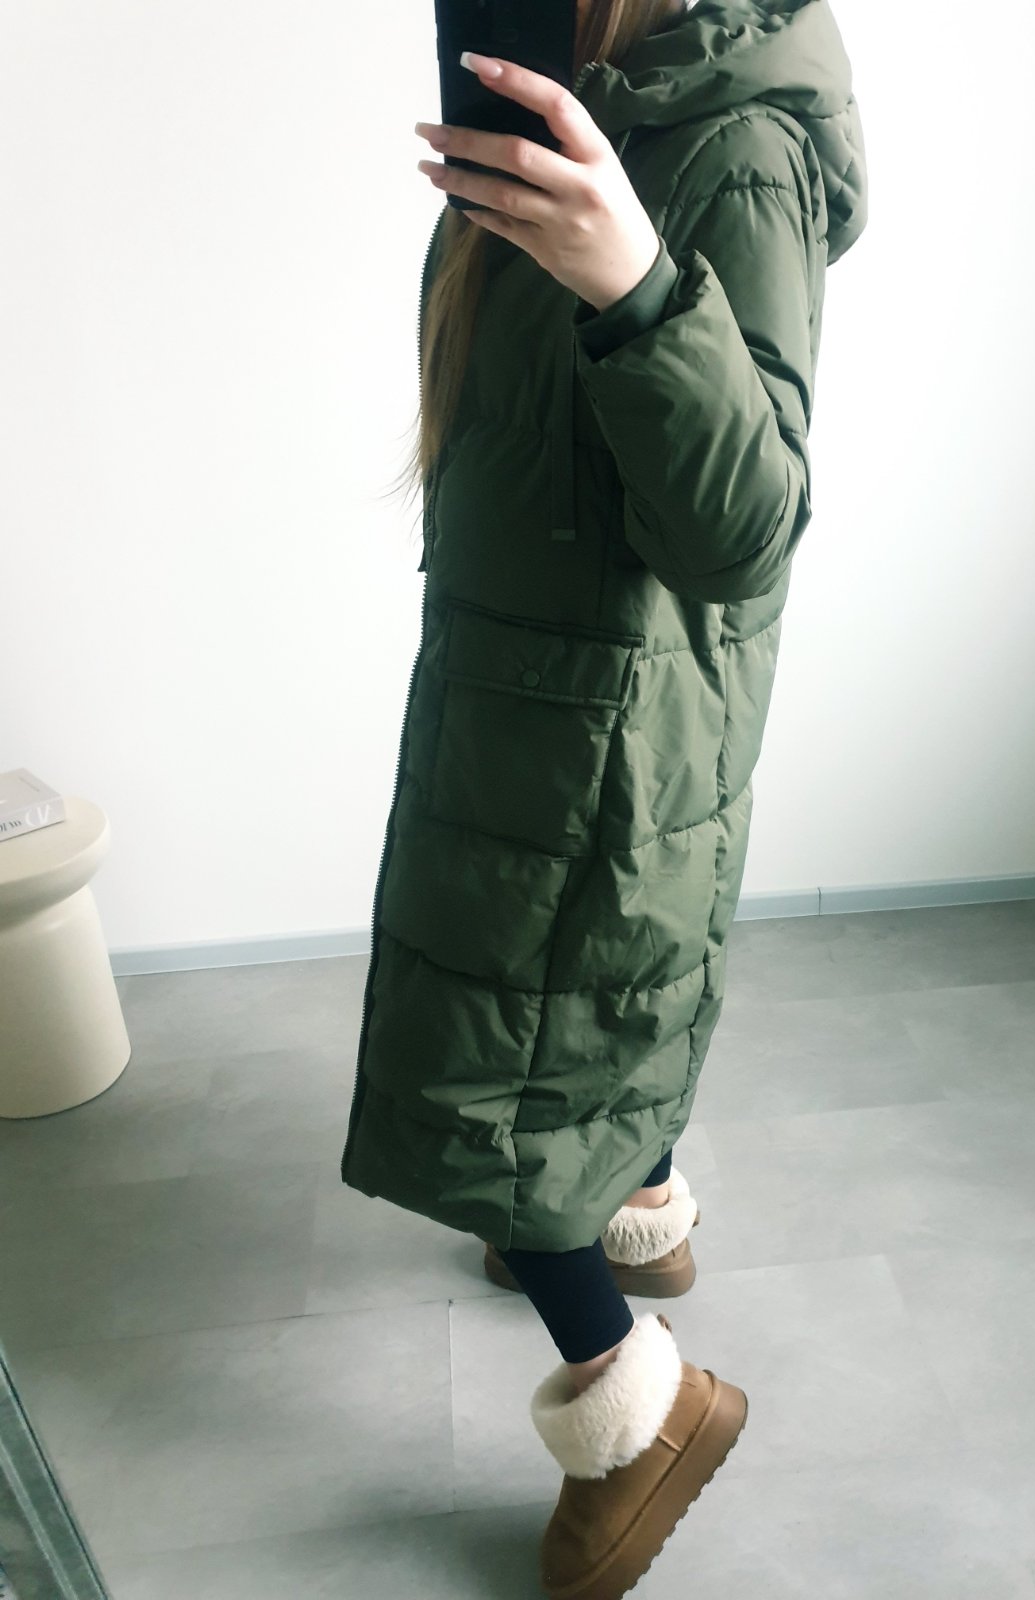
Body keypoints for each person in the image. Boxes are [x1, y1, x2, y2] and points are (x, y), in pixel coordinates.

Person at [341, 0, 867, 1593]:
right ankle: (637, 1205)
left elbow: (746, 527)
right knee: (560, 1025)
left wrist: (634, 282)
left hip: (601, 726)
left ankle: (640, 1414)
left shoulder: (736, 150)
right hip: (526, 678)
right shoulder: (589, 90)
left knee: (493, 1077)